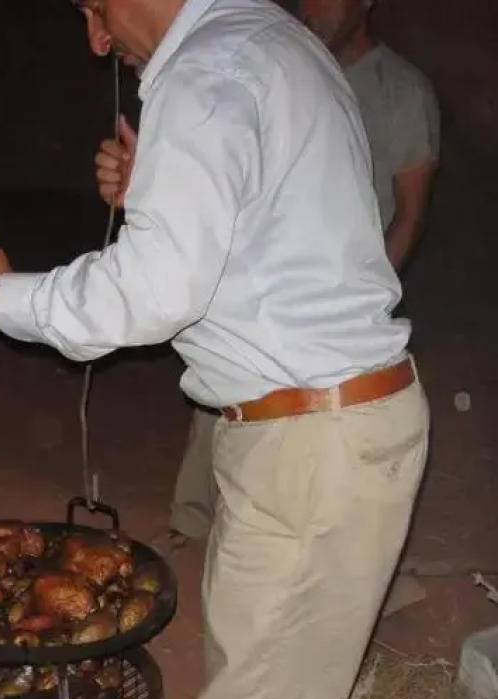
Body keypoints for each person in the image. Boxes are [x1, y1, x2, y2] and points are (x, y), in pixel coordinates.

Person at [0, 0, 430, 699]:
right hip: (303, 422)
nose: (93, 37)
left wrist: (0, 298)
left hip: (318, 432)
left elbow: (156, 294)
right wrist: (161, 180)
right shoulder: (264, 40)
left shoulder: (210, 72)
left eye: (90, 9)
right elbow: (295, 216)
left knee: (266, 687)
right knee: (247, 648)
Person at [138, 0, 439, 551]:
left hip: (332, 295)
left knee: (311, 443)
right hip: (256, 288)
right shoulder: (281, 63)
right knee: (225, 406)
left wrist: (361, 296)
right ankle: (199, 522)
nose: (309, 4)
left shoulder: (401, 90)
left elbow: (411, 210)